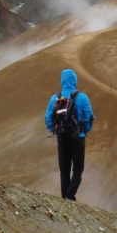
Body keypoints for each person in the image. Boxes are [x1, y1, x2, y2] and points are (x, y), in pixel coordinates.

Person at [45, 69, 94, 201]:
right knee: (78, 168)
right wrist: (83, 132)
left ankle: (64, 198)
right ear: (75, 81)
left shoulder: (54, 98)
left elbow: (48, 117)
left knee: (64, 170)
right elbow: (89, 117)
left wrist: (55, 129)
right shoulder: (82, 97)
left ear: (62, 81)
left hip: (62, 137)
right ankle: (70, 196)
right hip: (78, 138)